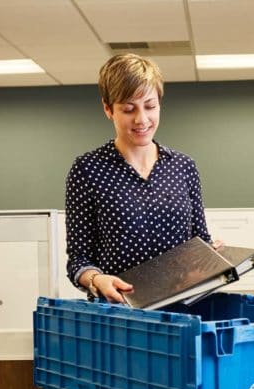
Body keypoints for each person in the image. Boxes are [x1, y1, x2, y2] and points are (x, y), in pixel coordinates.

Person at [65, 53, 221, 303]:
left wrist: (211, 256)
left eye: (150, 106)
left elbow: (200, 242)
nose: (142, 119)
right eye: (128, 109)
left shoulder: (183, 166)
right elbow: (79, 260)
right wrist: (96, 279)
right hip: (122, 314)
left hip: (182, 310)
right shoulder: (88, 169)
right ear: (108, 109)